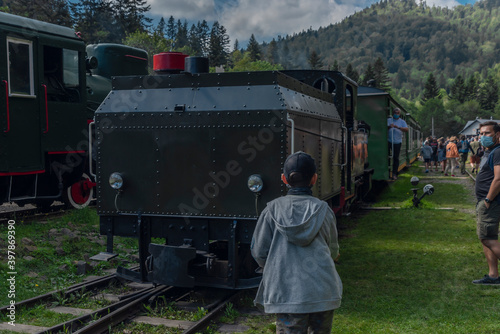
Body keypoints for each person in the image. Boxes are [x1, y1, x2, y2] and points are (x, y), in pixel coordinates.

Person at [251, 151, 342, 333]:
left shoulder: (271, 211)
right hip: (322, 292)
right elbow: (333, 250)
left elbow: (259, 252)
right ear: (314, 178)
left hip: (286, 294)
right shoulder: (325, 211)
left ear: (284, 179)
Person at [473, 121, 500, 285]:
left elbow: (498, 178)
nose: (483, 136)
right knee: (487, 236)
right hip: (485, 201)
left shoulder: (497, 152)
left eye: (487, 133)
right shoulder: (489, 152)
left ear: (497, 135)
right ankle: (493, 276)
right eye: (481, 133)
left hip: (491, 201)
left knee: (487, 239)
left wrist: (488, 199)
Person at [387, 108, 409, 180]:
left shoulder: (402, 121)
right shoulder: (389, 120)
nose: (396, 114)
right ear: (392, 113)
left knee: (396, 158)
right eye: (395, 113)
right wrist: (390, 126)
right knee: (386, 157)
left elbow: (406, 129)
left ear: (399, 114)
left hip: (397, 142)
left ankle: (394, 173)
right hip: (388, 141)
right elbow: (384, 127)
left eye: (397, 113)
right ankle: (387, 172)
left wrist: (398, 127)